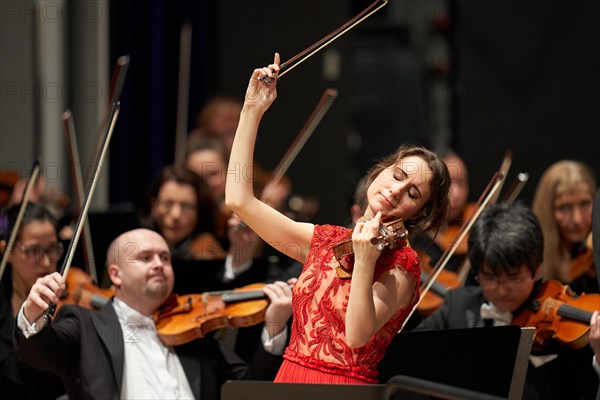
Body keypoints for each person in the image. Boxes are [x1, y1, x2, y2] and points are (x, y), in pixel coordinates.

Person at [225, 53, 451, 384]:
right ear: (381, 170)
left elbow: (357, 334)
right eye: (398, 175)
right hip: (289, 382)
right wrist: (252, 111)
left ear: (419, 213)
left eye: (414, 194)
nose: (397, 191)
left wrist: (364, 260)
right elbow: (239, 200)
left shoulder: (402, 265)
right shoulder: (325, 242)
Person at [14, 228, 292, 399]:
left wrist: (275, 326)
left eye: (165, 258)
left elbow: (248, 391)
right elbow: (40, 352)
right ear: (116, 275)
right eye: (145, 258)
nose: (159, 264)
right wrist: (33, 312)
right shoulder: (85, 324)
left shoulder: (193, 331)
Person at [414, 202, 599, 399]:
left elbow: (586, 387)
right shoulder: (457, 307)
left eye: (513, 278)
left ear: (535, 268)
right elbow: (411, 358)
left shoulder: (565, 329)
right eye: (490, 278)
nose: (501, 290)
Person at [0, 203, 66, 399]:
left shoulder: (68, 304)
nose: (46, 262)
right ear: (7, 251)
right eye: (32, 251)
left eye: (52, 249)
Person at [532, 160, 597, 294]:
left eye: (585, 204)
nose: (577, 219)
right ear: (548, 211)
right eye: (564, 208)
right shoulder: (533, 262)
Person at [140, 164, 227, 260]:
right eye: (168, 204)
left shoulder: (209, 252)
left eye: (187, 206)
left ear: (199, 210)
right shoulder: (138, 245)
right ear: (154, 206)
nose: (176, 215)